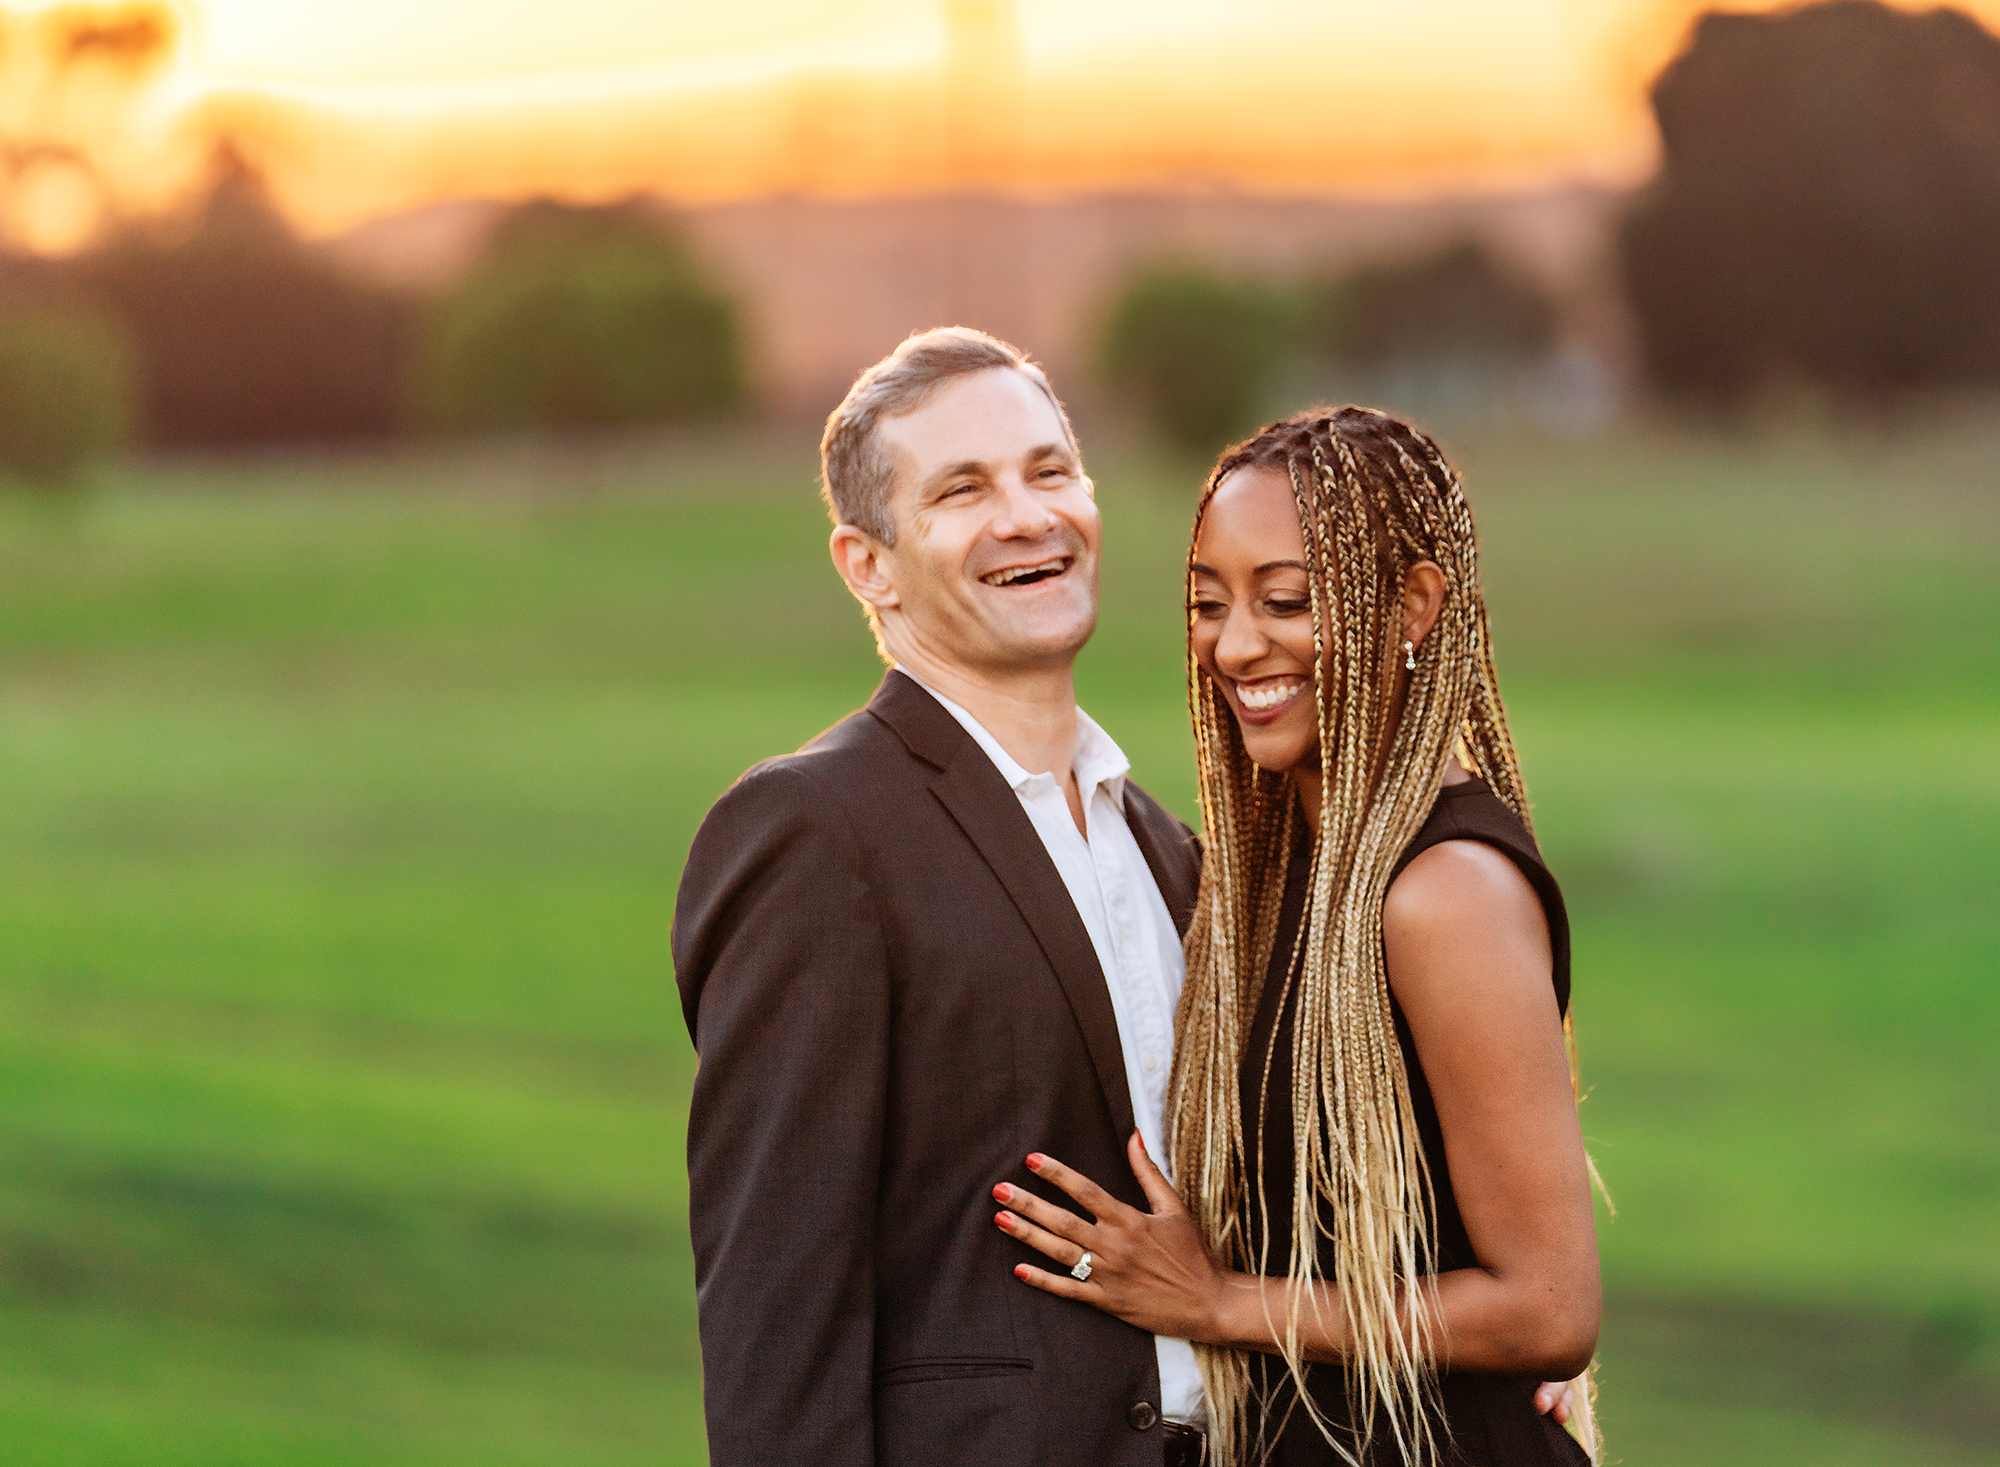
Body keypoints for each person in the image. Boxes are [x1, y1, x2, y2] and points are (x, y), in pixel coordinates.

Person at [989, 408, 1602, 1466]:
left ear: (1411, 604)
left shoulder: (1441, 889)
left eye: (1284, 602)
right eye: (1206, 604)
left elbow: (1546, 1308)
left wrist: (1221, 1304)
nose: (1234, 646)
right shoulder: (1275, 876)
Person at [672, 328, 1211, 1466]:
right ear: (867, 563)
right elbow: (779, 1318)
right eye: (962, 490)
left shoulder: (1172, 854)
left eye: (1049, 471)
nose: (1026, 516)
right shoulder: (814, 834)